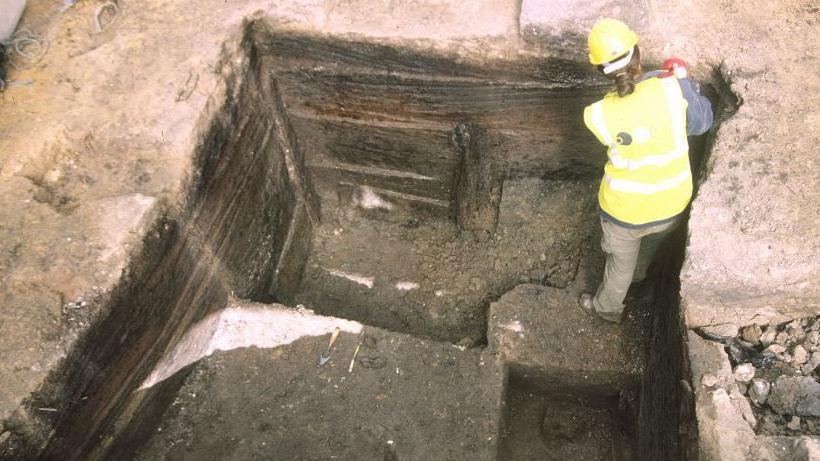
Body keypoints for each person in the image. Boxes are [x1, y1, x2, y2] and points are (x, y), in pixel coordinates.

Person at [578, 18, 713, 323]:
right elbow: (702, 122)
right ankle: (643, 276)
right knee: (651, 243)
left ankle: (607, 308)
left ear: (600, 69)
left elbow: (624, 122)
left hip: (622, 212)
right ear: (637, 53)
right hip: (670, 205)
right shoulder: (670, 89)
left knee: (619, 264)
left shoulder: (596, 114)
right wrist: (683, 81)